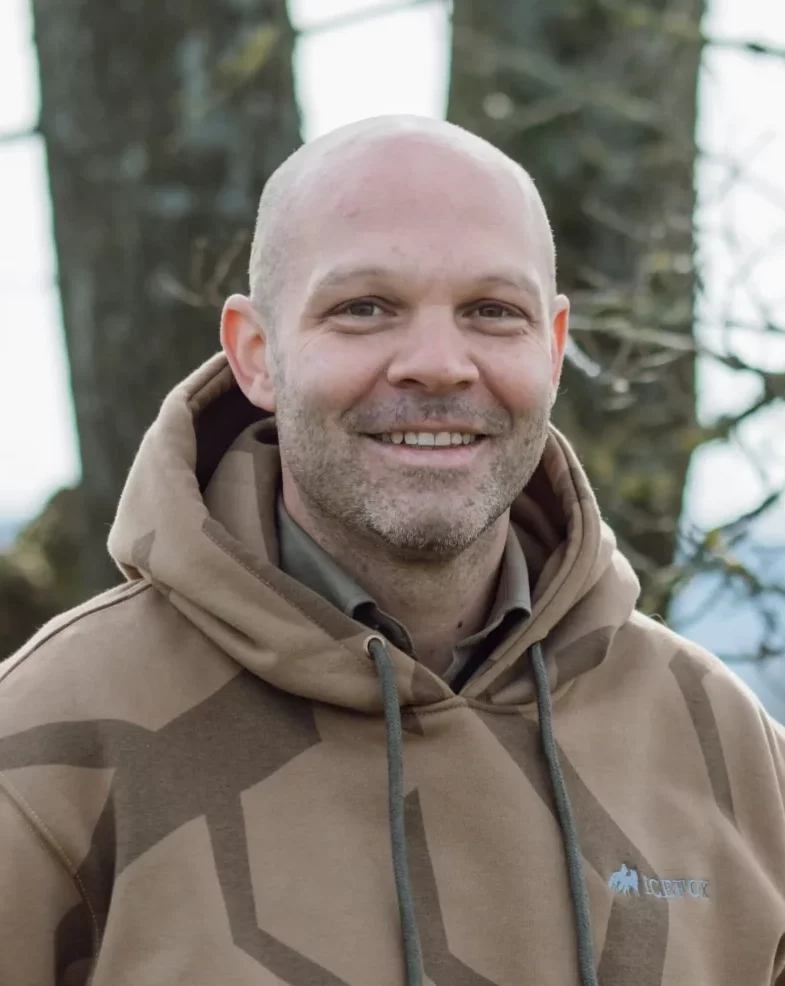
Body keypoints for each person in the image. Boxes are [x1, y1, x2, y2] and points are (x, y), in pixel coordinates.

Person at [1, 115, 784, 986]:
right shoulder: (46, 748)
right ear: (256, 355)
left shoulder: (719, 740)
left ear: (554, 350)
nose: (439, 365)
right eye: (364, 308)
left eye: (492, 311)